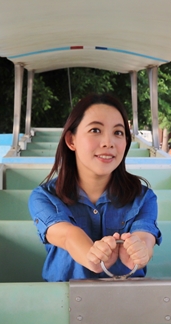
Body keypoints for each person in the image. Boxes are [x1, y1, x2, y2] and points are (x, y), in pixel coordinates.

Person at [28, 93, 161, 282]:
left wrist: (139, 251)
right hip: (62, 302)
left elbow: (144, 237)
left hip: (128, 300)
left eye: (118, 132)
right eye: (95, 130)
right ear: (71, 141)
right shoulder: (44, 197)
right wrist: (94, 256)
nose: (108, 142)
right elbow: (68, 235)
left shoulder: (143, 197)